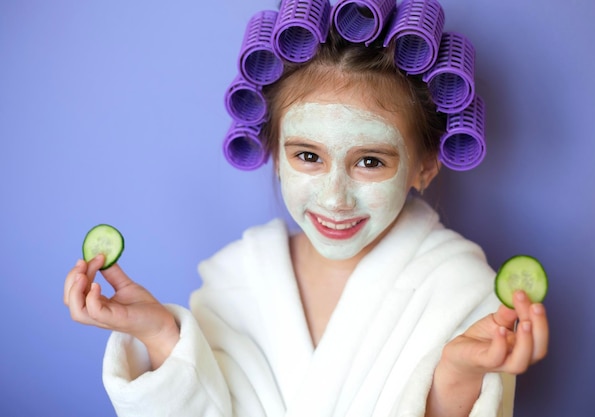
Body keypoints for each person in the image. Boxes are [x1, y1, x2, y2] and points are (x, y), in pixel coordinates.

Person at [63, 13, 549, 417]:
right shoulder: (235, 279)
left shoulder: (461, 291)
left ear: (425, 165)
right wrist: (161, 336)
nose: (335, 198)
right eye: (309, 157)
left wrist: (457, 378)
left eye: (370, 161)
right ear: (274, 153)